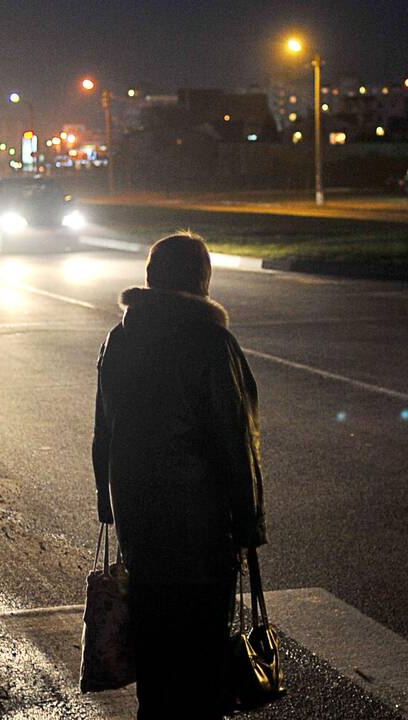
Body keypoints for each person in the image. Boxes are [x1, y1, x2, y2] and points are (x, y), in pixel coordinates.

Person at [92, 232, 266, 719]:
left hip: (139, 523)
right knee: (201, 654)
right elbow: (236, 439)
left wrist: (108, 503)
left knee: (155, 648)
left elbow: (105, 427)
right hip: (200, 531)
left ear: (151, 278)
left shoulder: (120, 339)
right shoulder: (212, 342)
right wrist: (249, 524)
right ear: (201, 281)